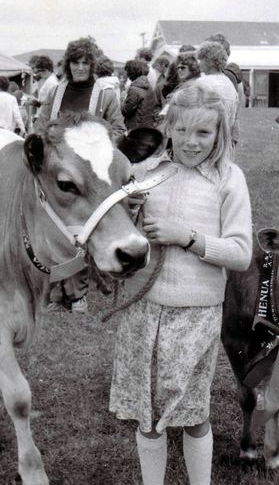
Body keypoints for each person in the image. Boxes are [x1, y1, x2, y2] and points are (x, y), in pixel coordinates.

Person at [109, 82, 253, 485]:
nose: (191, 142)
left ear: (219, 134)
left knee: (193, 413)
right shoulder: (146, 173)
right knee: (147, 414)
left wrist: (185, 236)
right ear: (168, 127)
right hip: (144, 307)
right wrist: (130, 211)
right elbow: (120, 238)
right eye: (183, 130)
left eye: (203, 133)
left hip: (195, 313)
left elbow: (241, 253)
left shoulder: (228, 179)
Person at [35, 37, 125, 137]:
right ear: (68, 64)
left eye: (85, 63)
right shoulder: (54, 92)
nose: (80, 68)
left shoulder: (106, 95)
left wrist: (98, 144)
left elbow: (119, 130)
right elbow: (40, 128)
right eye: (75, 63)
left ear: (92, 65)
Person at [196, 41, 239, 141]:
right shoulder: (229, 83)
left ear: (209, 61)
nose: (199, 63)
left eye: (201, 59)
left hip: (205, 137)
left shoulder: (202, 82)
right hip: (224, 137)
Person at [122, 59, 159, 130]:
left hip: (135, 128)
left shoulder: (134, 89)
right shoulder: (148, 86)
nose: (127, 74)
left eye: (127, 72)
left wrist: (122, 99)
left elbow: (126, 111)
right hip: (147, 125)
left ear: (131, 73)